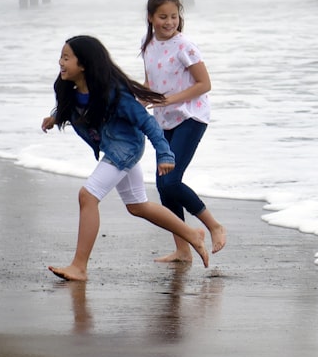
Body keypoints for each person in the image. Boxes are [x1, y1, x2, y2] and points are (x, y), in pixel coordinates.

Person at [41, 35, 209, 281]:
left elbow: (147, 123)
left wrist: (164, 153)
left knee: (87, 196)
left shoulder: (113, 93)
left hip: (126, 148)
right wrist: (55, 117)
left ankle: (79, 266)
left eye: (67, 58)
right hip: (113, 147)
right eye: (61, 57)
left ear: (85, 63)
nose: (61, 62)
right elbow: (76, 108)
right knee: (137, 206)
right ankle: (192, 234)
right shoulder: (68, 87)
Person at [140, 0, 226, 262]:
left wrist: (170, 100)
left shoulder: (185, 46)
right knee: (163, 186)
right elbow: (150, 82)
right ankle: (182, 250)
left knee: (171, 181)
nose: (169, 22)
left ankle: (213, 226)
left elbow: (205, 84)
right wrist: (139, 101)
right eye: (163, 16)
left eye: (174, 16)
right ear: (151, 17)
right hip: (163, 120)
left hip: (191, 117)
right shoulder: (148, 43)